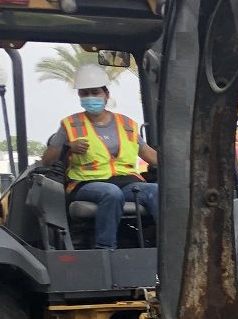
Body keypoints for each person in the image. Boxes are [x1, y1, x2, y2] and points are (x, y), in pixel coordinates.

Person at [40, 64, 159, 250]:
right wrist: (68, 147)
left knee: (156, 191)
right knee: (110, 194)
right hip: (86, 183)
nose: (90, 98)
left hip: (126, 182)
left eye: (94, 92)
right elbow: (47, 160)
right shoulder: (70, 124)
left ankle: (168, 247)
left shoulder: (126, 124)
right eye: (84, 94)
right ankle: (105, 249)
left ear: (106, 94)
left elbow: (149, 154)